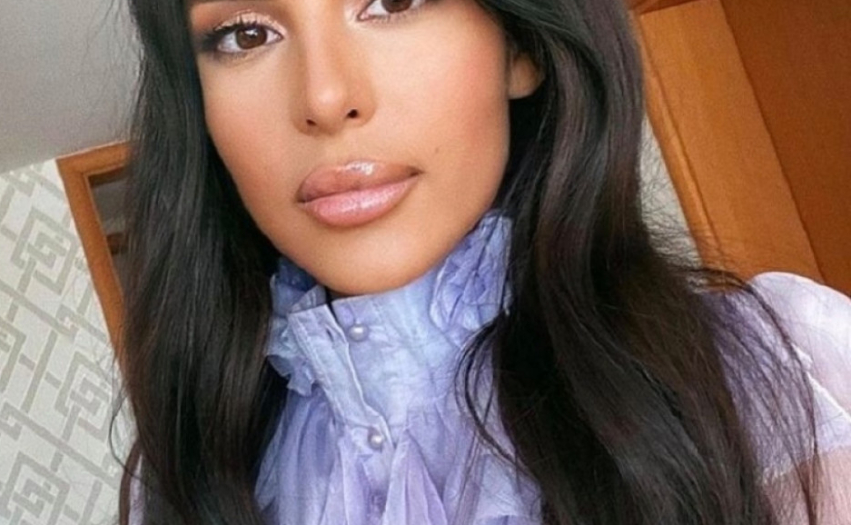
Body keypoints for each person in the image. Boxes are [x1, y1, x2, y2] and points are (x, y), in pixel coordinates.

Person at [116, 0, 851, 523]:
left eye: (392, 1)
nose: (326, 97)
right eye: (246, 34)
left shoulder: (786, 370)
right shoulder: (199, 473)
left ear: (519, 46)